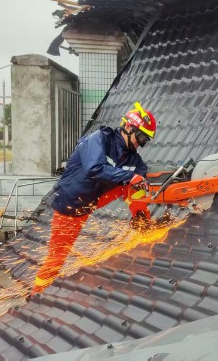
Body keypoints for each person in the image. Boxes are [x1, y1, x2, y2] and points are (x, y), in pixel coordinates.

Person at [31, 101, 156, 295]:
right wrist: (131, 176)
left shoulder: (133, 158)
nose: (141, 143)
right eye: (141, 137)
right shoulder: (98, 139)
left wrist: (142, 180)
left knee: (134, 184)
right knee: (57, 257)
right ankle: (37, 293)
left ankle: (143, 223)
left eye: (144, 140)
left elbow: (140, 174)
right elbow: (95, 169)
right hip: (70, 206)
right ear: (129, 127)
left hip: (91, 202)